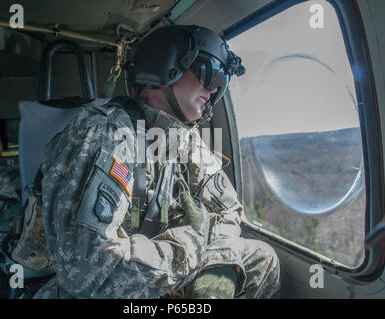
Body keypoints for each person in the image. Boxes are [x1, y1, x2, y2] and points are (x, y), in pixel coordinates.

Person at [33, 24, 280, 299]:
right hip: (100, 291)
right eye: (209, 73)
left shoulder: (184, 139)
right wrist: (191, 246)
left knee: (261, 258)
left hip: (154, 274)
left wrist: (219, 265)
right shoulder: (106, 135)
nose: (213, 90)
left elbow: (228, 210)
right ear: (165, 66)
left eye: (221, 82)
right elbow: (90, 273)